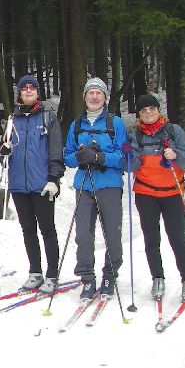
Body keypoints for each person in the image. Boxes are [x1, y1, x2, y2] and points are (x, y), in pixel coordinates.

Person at [125, 94, 185, 302]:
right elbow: (129, 167)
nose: (148, 112)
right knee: (151, 239)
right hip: (146, 194)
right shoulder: (134, 135)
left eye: (152, 108)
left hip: (172, 193)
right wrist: (129, 156)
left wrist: (176, 155)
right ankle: (157, 278)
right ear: (139, 115)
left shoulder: (174, 131)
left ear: (159, 111)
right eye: (144, 110)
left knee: (177, 238)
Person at [0, 74, 64, 293]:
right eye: (24, 88)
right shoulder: (12, 119)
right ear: (19, 93)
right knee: (28, 230)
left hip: (42, 184)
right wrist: (4, 152)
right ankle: (35, 272)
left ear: (37, 92)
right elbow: (4, 154)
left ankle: (52, 274)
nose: (28, 90)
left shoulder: (47, 118)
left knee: (47, 230)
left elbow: (56, 151)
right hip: (19, 184)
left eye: (32, 87)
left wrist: (54, 179)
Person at [63, 77, 127, 299]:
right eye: (90, 92)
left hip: (109, 184)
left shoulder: (115, 123)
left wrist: (100, 157)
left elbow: (125, 156)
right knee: (83, 235)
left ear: (105, 97)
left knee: (112, 234)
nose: (94, 96)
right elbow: (67, 156)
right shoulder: (76, 124)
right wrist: (80, 156)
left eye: (99, 93)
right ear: (84, 97)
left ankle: (110, 275)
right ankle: (87, 279)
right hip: (84, 184)